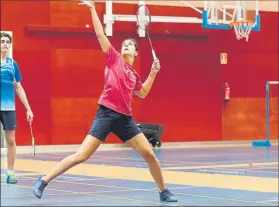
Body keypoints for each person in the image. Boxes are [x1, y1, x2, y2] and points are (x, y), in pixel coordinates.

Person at [32, 0, 177, 202]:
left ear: (136, 53)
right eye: (124, 44)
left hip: (125, 119)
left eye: (130, 45)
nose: (125, 45)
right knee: (81, 156)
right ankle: (43, 180)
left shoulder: (134, 74)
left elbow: (142, 93)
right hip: (106, 114)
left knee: (150, 154)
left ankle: (163, 191)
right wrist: (92, 9)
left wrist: (153, 73)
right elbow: (100, 34)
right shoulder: (114, 58)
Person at [1, 32, 34, 184]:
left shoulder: (13, 64)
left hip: (8, 107)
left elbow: (19, 87)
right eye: (2, 41)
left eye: (7, 42)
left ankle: (10, 172)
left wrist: (28, 108)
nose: (5, 44)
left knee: (11, 140)